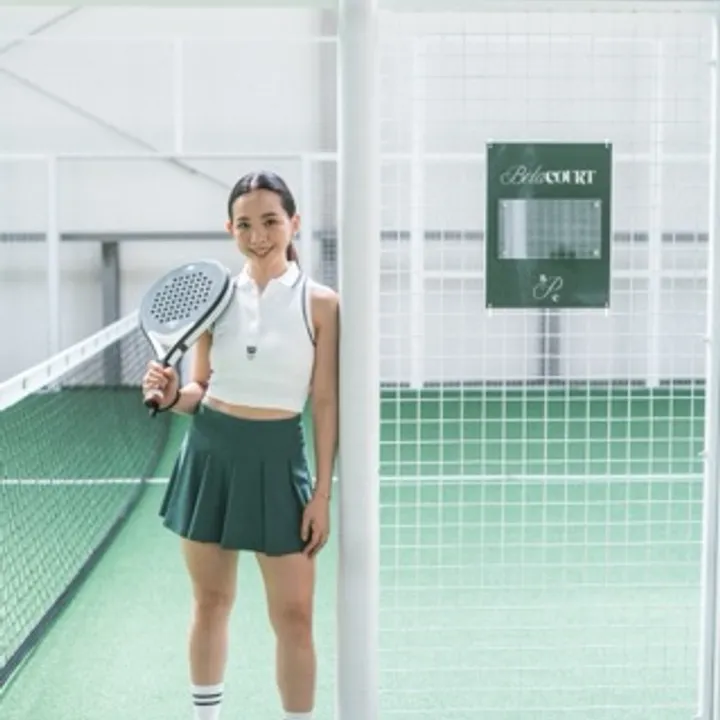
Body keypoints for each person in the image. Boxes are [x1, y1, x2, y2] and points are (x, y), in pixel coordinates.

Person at [141, 170, 340, 720]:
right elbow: (200, 389)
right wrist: (173, 396)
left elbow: (325, 403)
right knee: (211, 603)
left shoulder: (322, 304)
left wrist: (322, 494)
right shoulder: (215, 300)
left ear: (294, 223)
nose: (258, 235)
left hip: (280, 462)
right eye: (245, 224)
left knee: (295, 617)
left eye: (271, 221)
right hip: (210, 456)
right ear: (230, 228)